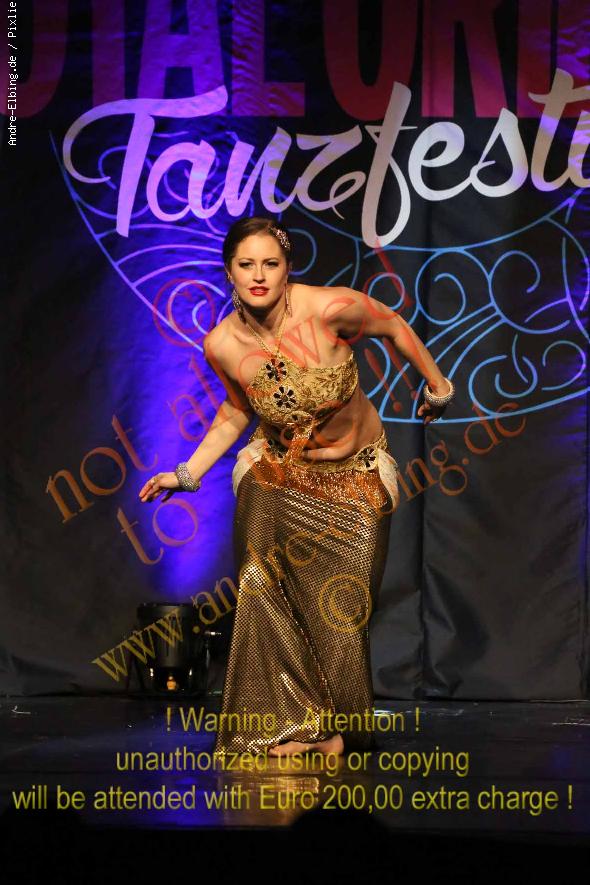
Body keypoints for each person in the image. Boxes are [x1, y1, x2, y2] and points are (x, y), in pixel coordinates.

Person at [138, 216, 454, 758]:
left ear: (287, 270)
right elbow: (237, 412)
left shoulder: (328, 309)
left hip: (355, 474)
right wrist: (187, 473)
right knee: (259, 580)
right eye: (247, 265)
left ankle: (341, 730)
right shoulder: (222, 344)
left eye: (271, 264)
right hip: (279, 473)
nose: (259, 276)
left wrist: (437, 384)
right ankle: (284, 725)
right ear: (229, 272)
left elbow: (393, 324)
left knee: (341, 607)